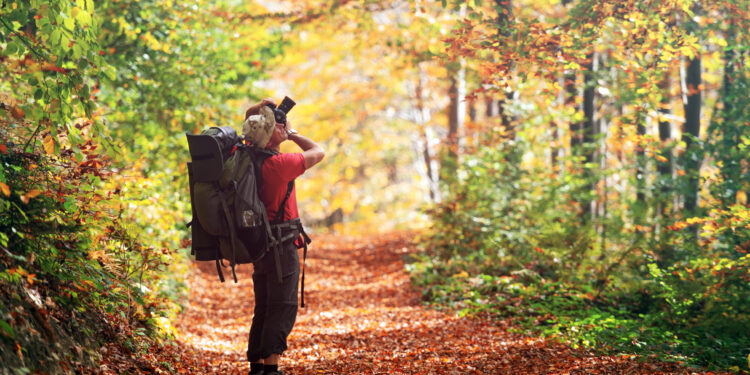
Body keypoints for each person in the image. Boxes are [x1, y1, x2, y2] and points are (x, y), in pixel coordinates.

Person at [241, 98, 325, 375]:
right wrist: (292, 134)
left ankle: (257, 366)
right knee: (283, 306)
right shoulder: (278, 164)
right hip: (281, 243)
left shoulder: (246, 157)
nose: (282, 126)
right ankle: (271, 369)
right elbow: (318, 151)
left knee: (264, 305)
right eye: (277, 125)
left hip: (259, 243)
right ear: (270, 132)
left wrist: (271, 123)